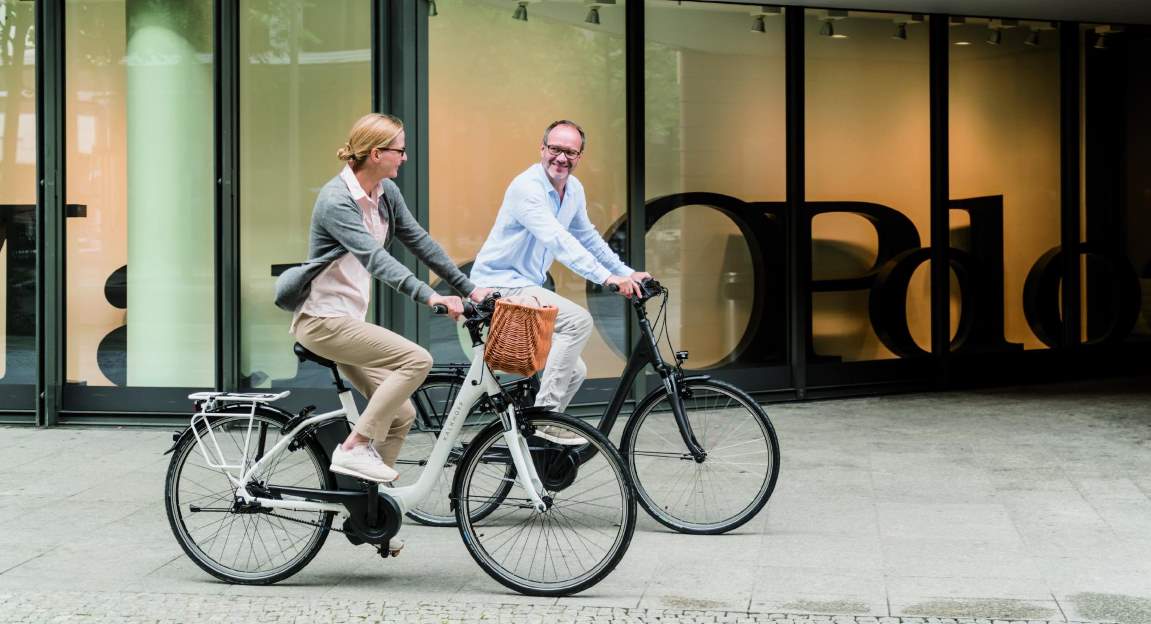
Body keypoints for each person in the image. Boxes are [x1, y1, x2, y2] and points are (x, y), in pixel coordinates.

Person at [278, 113, 492, 486]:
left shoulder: (385, 193)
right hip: (322, 322)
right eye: (400, 150)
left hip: (348, 322)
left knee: (400, 415)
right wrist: (430, 297)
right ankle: (354, 446)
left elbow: (419, 242)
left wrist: (468, 288)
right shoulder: (336, 201)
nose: (404, 158)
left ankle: (372, 510)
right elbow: (375, 260)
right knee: (417, 359)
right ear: (377, 153)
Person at [470, 120, 650, 444]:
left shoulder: (573, 190)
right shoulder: (527, 188)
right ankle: (543, 419)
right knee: (578, 321)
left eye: (570, 152)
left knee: (576, 370)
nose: (561, 158)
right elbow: (557, 240)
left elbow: (588, 238)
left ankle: (530, 439)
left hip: (526, 285)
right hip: (500, 283)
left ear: (580, 156)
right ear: (542, 149)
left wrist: (624, 272)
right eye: (555, 149)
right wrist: (606, 278)